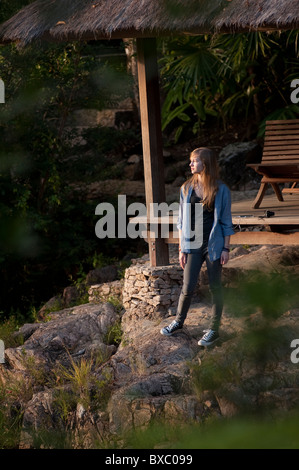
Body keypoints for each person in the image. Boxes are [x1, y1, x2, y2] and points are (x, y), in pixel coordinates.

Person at [160, 147, 234, 346]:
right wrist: (182, 248)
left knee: (215, 287)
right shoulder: (186, 188)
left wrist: (226, 248)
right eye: (191, 161)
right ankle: (178, 322)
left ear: (205, 163)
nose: (190, 164)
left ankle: (214, 329)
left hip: (214, 244)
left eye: (194, 161)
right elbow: (181, 222)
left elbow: (226, 221)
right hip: (192, 243)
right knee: (188, 287)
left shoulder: (221, 189)